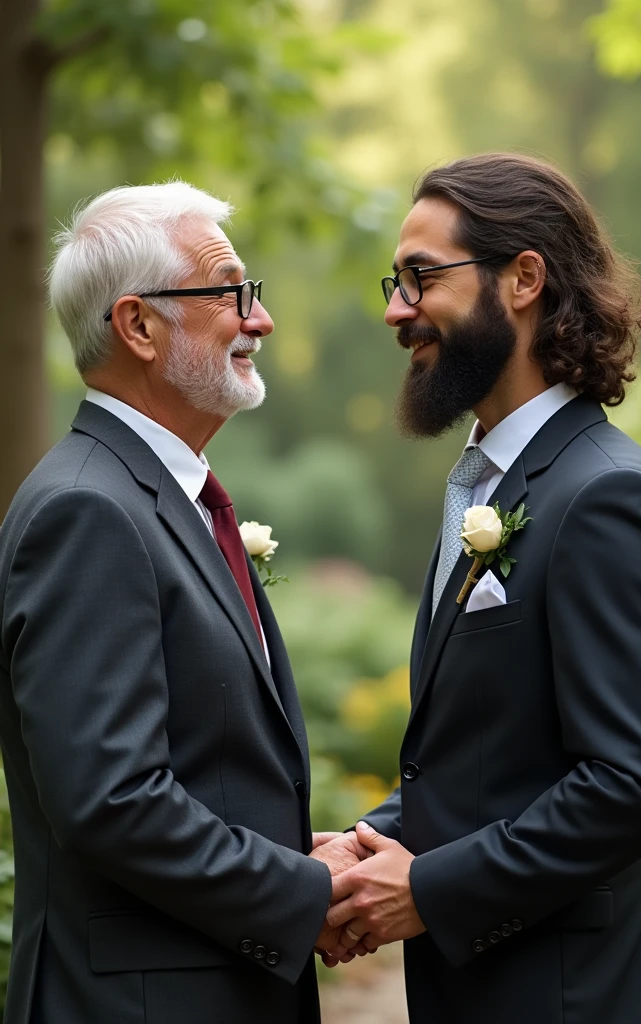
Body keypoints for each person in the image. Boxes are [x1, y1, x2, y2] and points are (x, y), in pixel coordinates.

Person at [324, 153, 641, 1022]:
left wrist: (433, 891)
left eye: (422, 279)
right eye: (395, 280)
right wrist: (372, 845)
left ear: (523, 279)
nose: (395, 309)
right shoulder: (489, 483)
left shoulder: (606, 494)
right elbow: (494, 757)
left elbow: (636, 784)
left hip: (576, 998)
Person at [0, 182, 366, 1024]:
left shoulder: (155, 498)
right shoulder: (87, 510)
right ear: (138, 327)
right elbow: (113, 800)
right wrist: (303, 893)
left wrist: (289, 858)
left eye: (254, 293)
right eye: (230, 293)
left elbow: (201, 767)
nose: (259, 320)